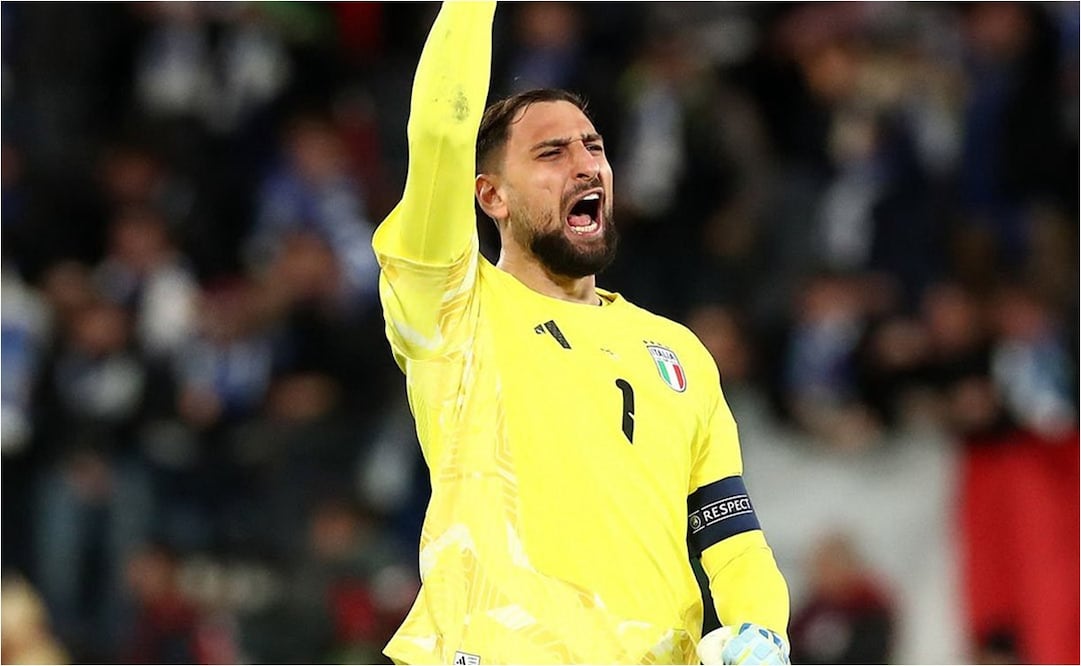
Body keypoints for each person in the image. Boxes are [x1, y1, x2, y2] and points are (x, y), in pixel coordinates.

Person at [371, 2, 789, 663]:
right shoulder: (453, 310)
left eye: (593, 147)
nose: (585, 164)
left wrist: (761, 628)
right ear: (491, 196)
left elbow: (730, 534)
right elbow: (442, 136)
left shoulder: (678, 353)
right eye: (551, 152)